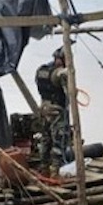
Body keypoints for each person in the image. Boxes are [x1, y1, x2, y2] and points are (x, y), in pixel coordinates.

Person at [35, 47, 71, 176]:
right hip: (57, 111)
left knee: (45, 139)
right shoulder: (60, 73)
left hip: (44, 108)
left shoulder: (42, 70)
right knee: (59, 140)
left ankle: (44, 167)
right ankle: (55, 171)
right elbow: (71, 93)